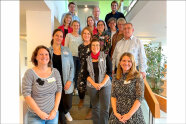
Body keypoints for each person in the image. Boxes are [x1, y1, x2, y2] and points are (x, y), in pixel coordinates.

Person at [22, 45, 62, 124]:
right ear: (36, 57)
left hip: (52, 115)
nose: (44, 56)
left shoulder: (55, 72)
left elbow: (59, 91)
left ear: (49, 57)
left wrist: (55, 110)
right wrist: (39, 113)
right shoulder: (30, 73)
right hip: (35, 116)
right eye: (41, 54)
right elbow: (26, 94)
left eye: (46, 54)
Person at [109, 52, 145, 124]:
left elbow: (139, 98)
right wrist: (115, 112)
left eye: (129, 61)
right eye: (124, 60)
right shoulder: (116, 77)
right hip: (118, 114)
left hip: (133, 114)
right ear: (120, 62)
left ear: (133, 63)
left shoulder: (137, 76)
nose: (126, 63)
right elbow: (113, 96)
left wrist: (129, 115)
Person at [49, 29, 74, 124]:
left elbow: (72, 66)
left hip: (66, 81)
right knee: (58, 102)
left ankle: (66, 112)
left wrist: (70, 80)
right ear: (53, 36)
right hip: (53, 82)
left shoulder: (67, 50)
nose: (59, 38)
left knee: (68, 104)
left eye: (61, 36)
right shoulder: (48, 50)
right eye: (57, 35)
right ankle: (62, 117)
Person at [84, 38, 112, 124]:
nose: (95, 47)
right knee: (95, 107)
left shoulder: (106, 56)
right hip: (92, 86)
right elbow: (86, 74)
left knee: (105, 108)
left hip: (105, 85)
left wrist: (101, 84)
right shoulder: (87, 59)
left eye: (97, 45)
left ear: (100, 46)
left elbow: (109, 72)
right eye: (93, 45)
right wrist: (94, 84)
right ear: (90, 47)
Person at [77, 27, 93, 119]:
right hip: (83, 69)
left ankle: (91, 109)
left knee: (92, 90)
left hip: (92, 71)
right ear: (82, 35)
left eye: (88, 33)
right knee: (80, 86)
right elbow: (80, 58)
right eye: (84, 33)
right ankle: (81, 99)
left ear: (90, 35)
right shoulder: (80, 46)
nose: (86, 35)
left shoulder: (93, 45)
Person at [65, 20, 82, 96]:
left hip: (79, 57)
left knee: (78, 73)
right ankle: (70, 88)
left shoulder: (81, 37)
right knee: (71, 73)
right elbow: (66, 47)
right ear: (72, 26)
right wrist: (66, 58)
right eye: (74, 25)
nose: (76, 27)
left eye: (77, 25)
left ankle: (76, 88)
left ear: (79, 26)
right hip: (71, 57)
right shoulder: (68, 35)